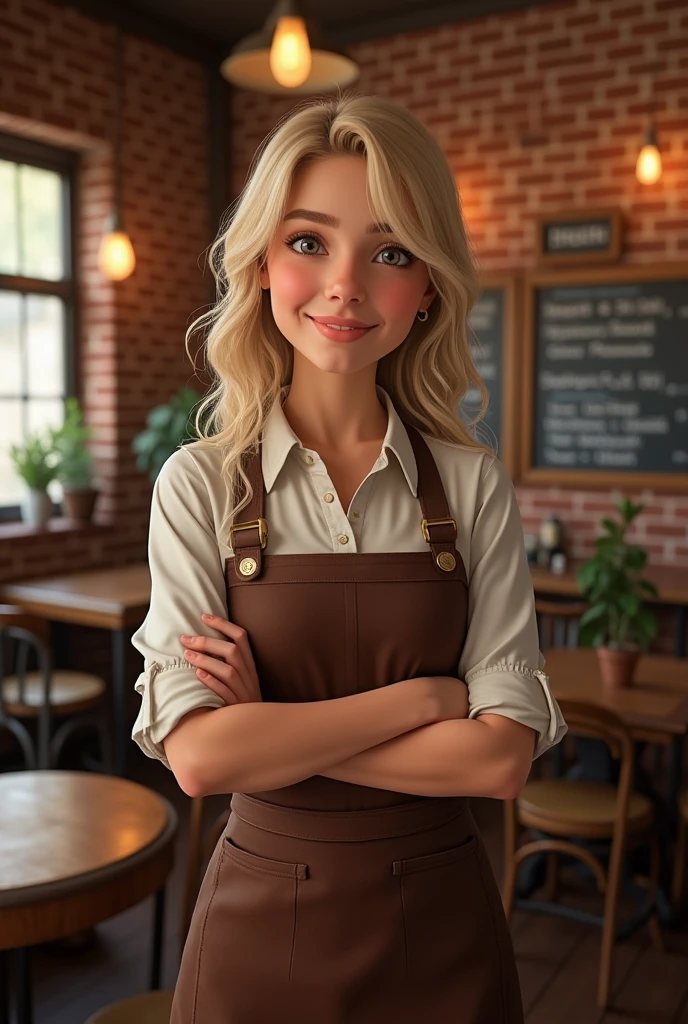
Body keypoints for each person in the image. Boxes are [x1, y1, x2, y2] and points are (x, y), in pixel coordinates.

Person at [131, 92, 567, 1023]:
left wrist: (277, 732)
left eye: (392, 251)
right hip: (257, 933)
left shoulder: (472, 484)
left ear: (430, 287)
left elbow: (499, 765)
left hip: (445, 933)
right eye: (308, 242)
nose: (346, 285)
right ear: (258, 265)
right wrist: (424, 701)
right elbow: (201, 759)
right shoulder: (198, 485)